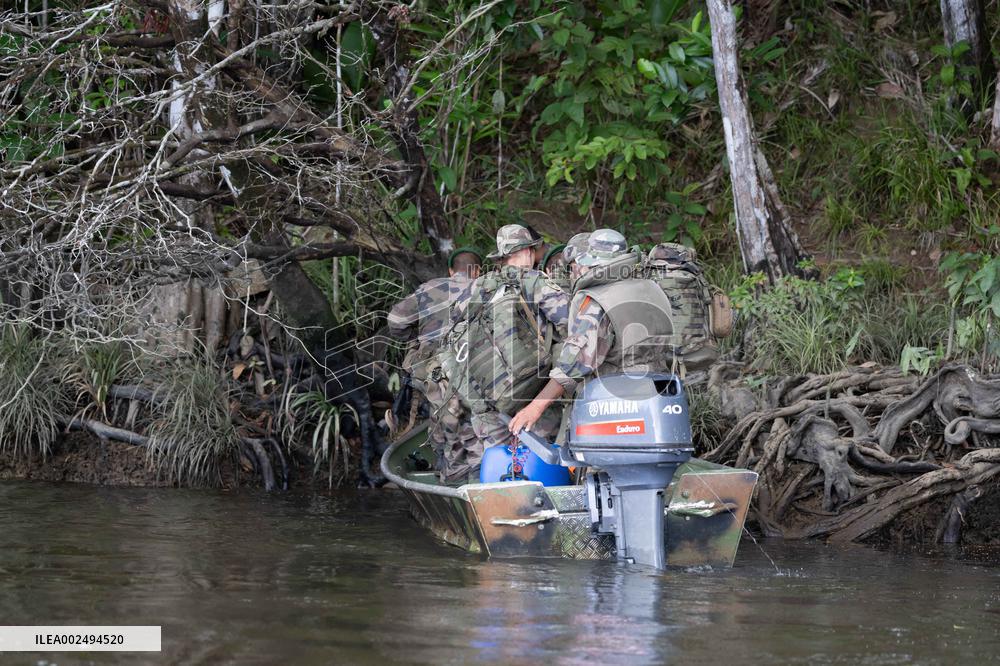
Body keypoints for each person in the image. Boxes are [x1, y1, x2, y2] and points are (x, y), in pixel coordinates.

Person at [508, 229, 676, 436]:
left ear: (590, 264)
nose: (575, 272)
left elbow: (574, 366)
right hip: (660, 394)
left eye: (576, 266)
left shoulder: (596, 301)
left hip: (617, 403)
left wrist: (534, 408)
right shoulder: (652, 288)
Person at [445, 224, 570, 474]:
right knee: (541, 469)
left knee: (499, 468)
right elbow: (574, 328)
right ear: (528, 251)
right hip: (534, 398)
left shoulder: (477, 287)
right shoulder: (537, 283)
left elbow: (454, 339)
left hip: (488, 402)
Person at [387, 248, 483, 474]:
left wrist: (416, 339)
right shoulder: (486, 289)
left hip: (433, 370)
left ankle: (447, 471)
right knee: (476, 420)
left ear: (451, 270)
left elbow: (395, 320)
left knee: (441, 418)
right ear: (477, 271)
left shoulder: (429, 288)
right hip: (477, 368)